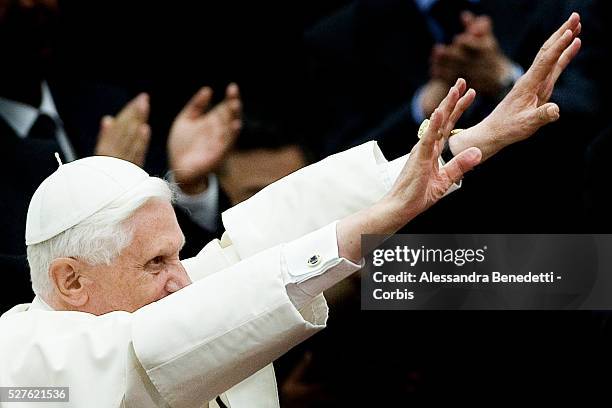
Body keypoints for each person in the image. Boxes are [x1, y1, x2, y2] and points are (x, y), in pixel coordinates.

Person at [0, 13, 581, 407]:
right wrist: (368, 229)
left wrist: (458, 146)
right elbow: (152, 349)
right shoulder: (21, 362)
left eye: (178, 255)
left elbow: (264, 239)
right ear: (71, 280)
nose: (182, 279)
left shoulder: (170, 290)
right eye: (154, 264)